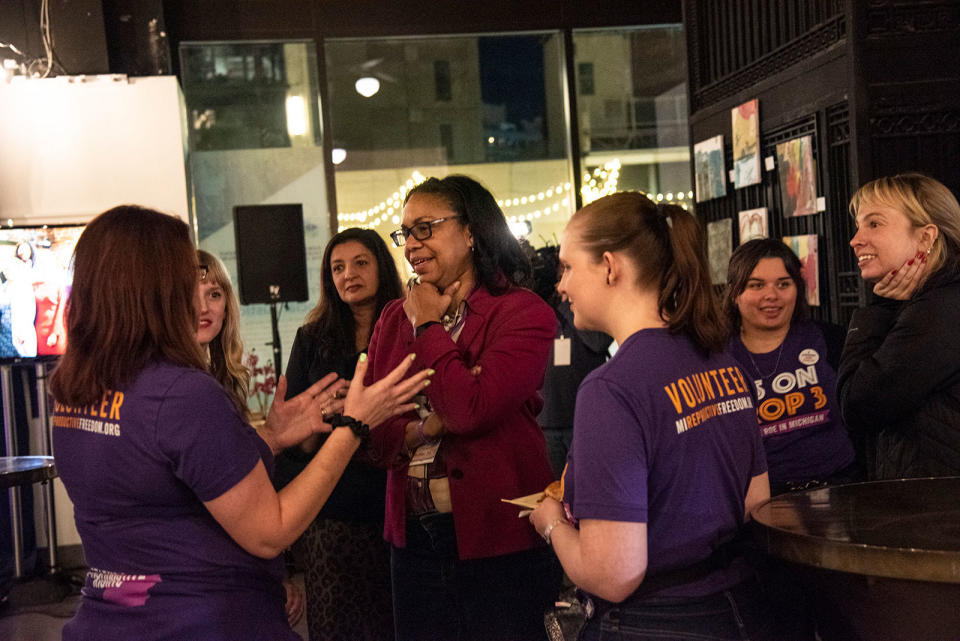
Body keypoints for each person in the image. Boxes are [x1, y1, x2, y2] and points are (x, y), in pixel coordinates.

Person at [49, 205, 430, 641]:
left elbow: (166, 479)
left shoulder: (75, 391)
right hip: (203, 621)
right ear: (151, 288)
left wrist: (271, 436)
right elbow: (272, 532)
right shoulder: (182, 394)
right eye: (182, 275)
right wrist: (355, 425)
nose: (193, 293)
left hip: (112, 618)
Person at [529, 192, 773, 641]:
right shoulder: (720, 358)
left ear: (609, 266)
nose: (560, 286)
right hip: (736, 607)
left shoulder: (610, 389)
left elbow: (612, 574)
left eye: (567, 267)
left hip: (653, 621)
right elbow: (754, 501)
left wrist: (552, 525)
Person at [365, 175, 561, 641]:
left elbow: (473, 408)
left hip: (498, 535)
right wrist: (425, 427)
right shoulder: (394, 317)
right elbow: (372, 431)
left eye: (425, 228)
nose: (411, 244)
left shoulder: (521, 312)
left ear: (471, 231)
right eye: (405, 233)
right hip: (414, 540)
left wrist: (428, 323)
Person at [274, 228, 402, 641]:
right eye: (338, 267)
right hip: (332, 509)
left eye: (360, 263)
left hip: (396, 501)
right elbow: (292, 438)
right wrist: (322, 415)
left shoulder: (410, 329)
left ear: (381, 266)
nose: (349, 274)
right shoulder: (312, 338)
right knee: (336, 627)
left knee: (398, 622)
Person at [195, 248, 305, 629]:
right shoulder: (181, 387)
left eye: (214, 293)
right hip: (208, 584)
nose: (204, 307)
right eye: (190, 294)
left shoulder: (220, 378)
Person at [840, 172, 960, 479]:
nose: (855, 239)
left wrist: (876, 310)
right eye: (858, 225)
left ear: (925, 237)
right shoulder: (934, 301)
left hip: (936, 514)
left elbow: (856, 405)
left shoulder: (939, 310)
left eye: (874, 224)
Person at [723, 239, 857, 495]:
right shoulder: (717, 359)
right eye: (756, 285)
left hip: (843, 488)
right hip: (763, 500)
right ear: (734, 293)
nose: (771, 295)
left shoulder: (831, 339)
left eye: (783, 284)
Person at [528, 242, 612, 478]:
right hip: (548, 419)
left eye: (568, 271)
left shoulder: (586, 307)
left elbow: (598, 342)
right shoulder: (540, 311)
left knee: (589, 485)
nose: (562, 283)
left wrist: (566, 305)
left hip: (583, 420)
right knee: (558, 490)